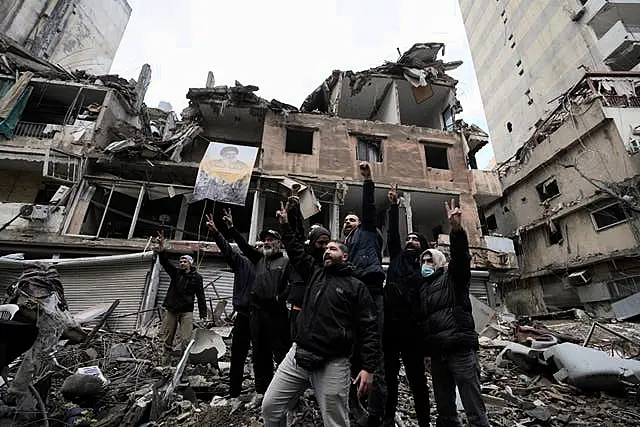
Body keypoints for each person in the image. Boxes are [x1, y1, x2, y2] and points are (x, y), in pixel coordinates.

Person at [261, 198, 380, 427]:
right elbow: (296, 251)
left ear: (345, 256)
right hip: (299, 355)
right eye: (325, 249)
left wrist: (368, 368)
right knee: (270, 407)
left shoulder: (357, 287)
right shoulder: (314, 274)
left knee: (335, 422)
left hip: (333, 362)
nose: (326, 251)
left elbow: (369, 330)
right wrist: (285, 224)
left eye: (332, 248)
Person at [418, 200, 490, 427]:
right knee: (445, 410)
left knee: (473, 407)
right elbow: (425, 325)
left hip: (460, 351)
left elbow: (460, 259)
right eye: (423, 260)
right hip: (438, 355)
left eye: (430, 260)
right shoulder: (423, 288)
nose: (425, 263)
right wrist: (427, 353)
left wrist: (457, 231)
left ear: (440, 263)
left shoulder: (453, 278)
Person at [222, 208, 291, 395]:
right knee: (260, 355)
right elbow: (243, 247)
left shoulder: (286, 262)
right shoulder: (259, 260)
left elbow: (292, 286)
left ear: (279, 243)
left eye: (271, 240)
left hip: (276, 315)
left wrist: (279, 298)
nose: (267, 242)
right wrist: (232, 229)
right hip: (257, 314)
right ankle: (263, 392)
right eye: (265, 240)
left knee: (281, 353)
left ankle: (285, 391)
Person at [383, 185, 431, 426]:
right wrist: (393, 206)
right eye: (409, 238)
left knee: (417, 381)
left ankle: (424, 421)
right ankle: (388, 418)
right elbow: (392, 235)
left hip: (413, 332)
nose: (410, 241)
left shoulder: (425, 269)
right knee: (389, 379)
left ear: (423, 247)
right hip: (390, 328)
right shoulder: (397, 259)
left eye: (415, 239)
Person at [343, 161, 386, 426]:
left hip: (370, 292)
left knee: (374, 356)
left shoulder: (367, 231)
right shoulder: (344, 246)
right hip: (352, 298)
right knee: (352, 354)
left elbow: (368, 210)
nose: (348, 222)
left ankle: (376, 415)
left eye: (352, 219)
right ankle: (354, 409)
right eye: (345, 220)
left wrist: (368, 181)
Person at [205, 213, 256, 398]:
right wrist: (217, 233)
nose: (257, 249)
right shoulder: (243, 264)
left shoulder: (271, 266)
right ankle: (234, 393)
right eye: (256, 246)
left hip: (261, 318)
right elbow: (228, 251)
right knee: (237, 357)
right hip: (243, 316)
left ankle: (261, 393)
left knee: (261, 357)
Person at [154, 231, 207, 356]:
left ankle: (183, 365)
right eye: (181, 261)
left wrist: (203, 314)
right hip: (172, 310)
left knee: (186, 339)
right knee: (167, 339)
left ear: (190, 263)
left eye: (185, 261)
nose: (182, 263)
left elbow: (201, 296)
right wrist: (162, 249)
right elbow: (165, 263)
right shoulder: (176, 273)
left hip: (186, 311)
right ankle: (165, 364)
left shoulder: (197, 278)